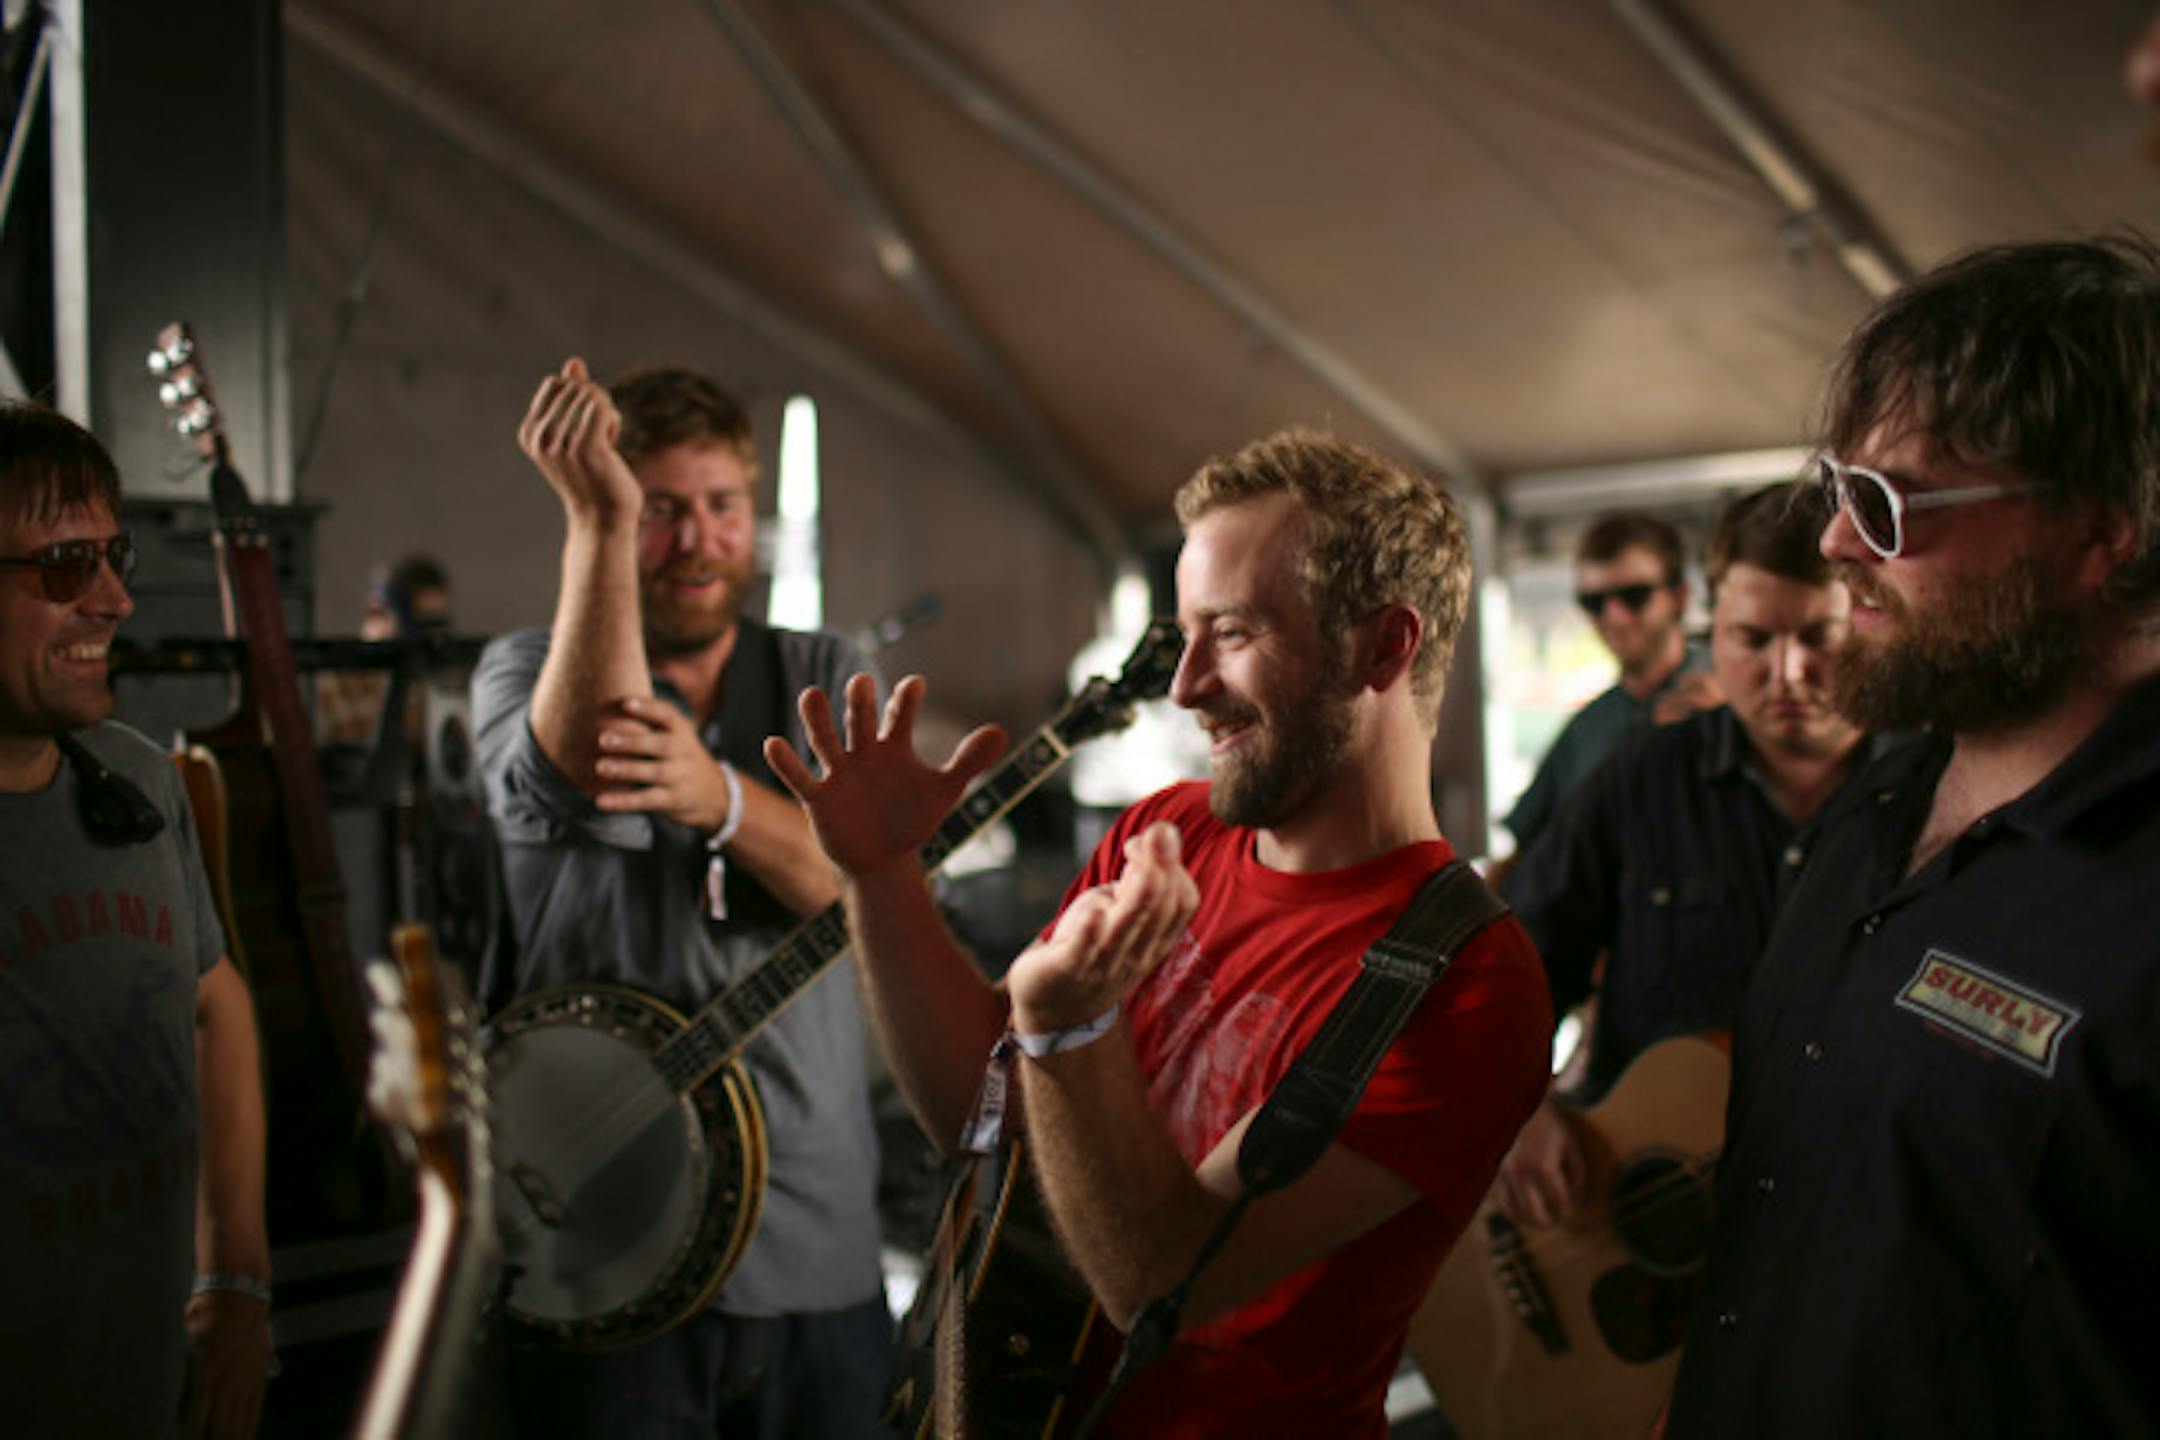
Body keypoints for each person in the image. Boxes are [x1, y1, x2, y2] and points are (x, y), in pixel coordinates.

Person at [767, 428, 1553, 1436]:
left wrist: (1069, 1032)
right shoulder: (1167, 830)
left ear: (1383, 646)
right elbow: (984, 1114)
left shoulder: (1471, 981)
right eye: (1182, 634)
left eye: (1230, 633)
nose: (1182, 686)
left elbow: (1160, 1278)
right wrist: (881, 883)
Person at [1666, 236, 2160, 1435]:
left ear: (2101, 536)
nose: (1837, 544)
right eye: (1837, 491)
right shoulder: (1877, 809)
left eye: (1888, 505)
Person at [471, 360, 889, 1435]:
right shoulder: (523, 672)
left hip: (815, 1250)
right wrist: (597, 524)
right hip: (607, 1251)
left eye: (721, 507)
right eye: (658, 511)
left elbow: (875, 895)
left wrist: (726, 802)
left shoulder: (822, 668)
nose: (696, 540)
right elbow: (579, 773)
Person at [1494, 482, 1878, 1227]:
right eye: (1752, 640)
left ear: (1868, 623)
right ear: (1715, 626)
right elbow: (1515, 966)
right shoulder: (1640, 778)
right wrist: (1516, 1108)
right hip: (1639, 1227)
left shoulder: (1935, 793)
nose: (1786, 673)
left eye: (1818, 639)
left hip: (1842, 1230)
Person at [0, 400, 272, 1437]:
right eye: (65, 564)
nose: (113, 599)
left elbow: (219, 1006)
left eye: (110, 556)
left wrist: (235, 1280)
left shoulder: (140, 784)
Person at [1503, 512, 1713, 854]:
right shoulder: (1585, 730)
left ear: (1680, 597)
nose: (1614, 616)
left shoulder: (1728, 701)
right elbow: (1524, 851)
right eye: (1595, 602)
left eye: (1634, 596)